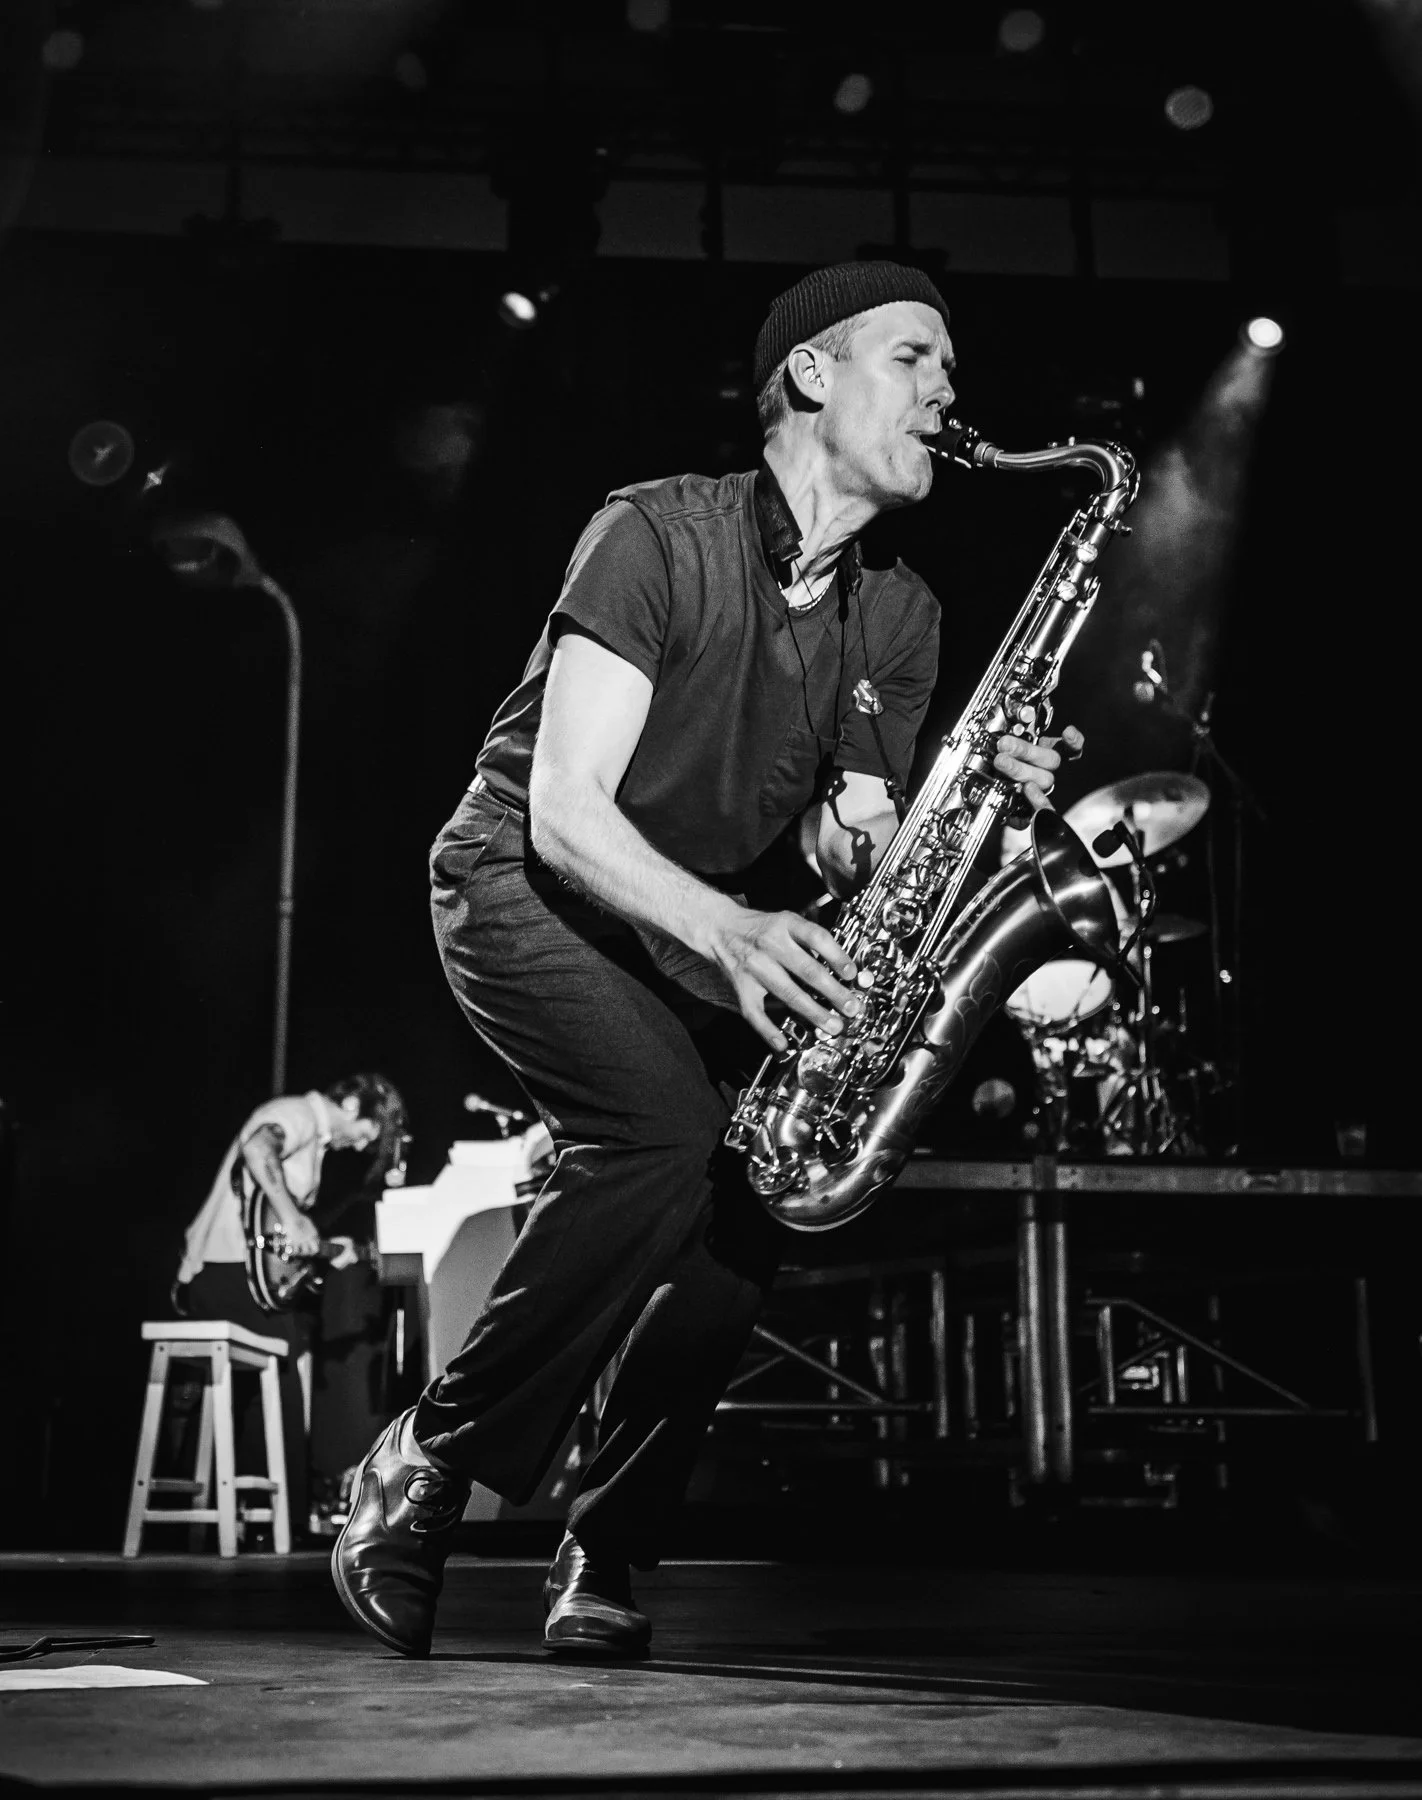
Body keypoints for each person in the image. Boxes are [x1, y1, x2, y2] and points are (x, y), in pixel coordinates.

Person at [331, 261, 1081, 1656]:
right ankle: (423, 1460)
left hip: (686, 930)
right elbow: (564, 809)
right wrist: (730, 930)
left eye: (949, 366)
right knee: (665, 1132)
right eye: (915, 357)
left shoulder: (902, 615)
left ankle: (608, 1547)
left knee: (762, 1197)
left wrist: (969, 810)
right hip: (523, 884)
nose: (948, 390)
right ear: (811, 374)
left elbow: (848, 840)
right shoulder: (653, 534)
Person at [174, 1073, 408, 1532]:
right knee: (284, 1359)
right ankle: (279, 1519)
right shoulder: (297, 1114)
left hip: (245, 1275)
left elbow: (278, 1236)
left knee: (294, 1344)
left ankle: (261, 1516)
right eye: (367, 1133)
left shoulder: (314, 1141)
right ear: (353, 1107)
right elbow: (258, 1147)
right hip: (222, 1272)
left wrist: (327, 1250)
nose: (363, 1145)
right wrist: (292, 1216)